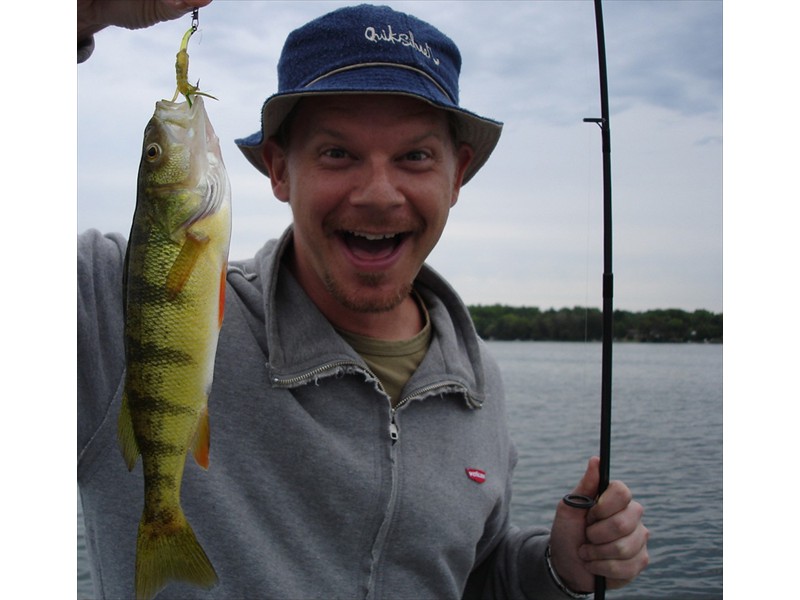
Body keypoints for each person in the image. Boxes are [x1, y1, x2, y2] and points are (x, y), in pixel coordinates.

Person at [78, 2, 649, 599]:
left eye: (415, 156)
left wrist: (554, 570)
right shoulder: (111, 306)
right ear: (278, 169)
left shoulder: (479, 384)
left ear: (457, 175)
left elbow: (468, 576)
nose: (379, 194)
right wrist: (83, 12)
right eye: (337, 153)